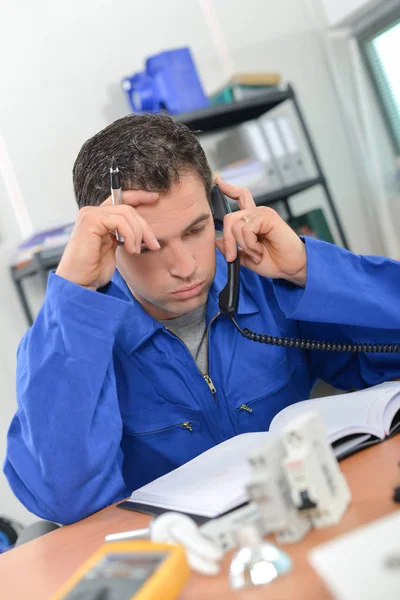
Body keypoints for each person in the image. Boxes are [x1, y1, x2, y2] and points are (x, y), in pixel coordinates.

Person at [4, 114, 400, 525]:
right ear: (109, 241)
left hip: (307, 517)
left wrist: (306, 268)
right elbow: (64, 499)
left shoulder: (261, 280)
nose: (184, 266)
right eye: (148, 246)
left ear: (217, 209)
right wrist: (75, 299)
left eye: (195, 231)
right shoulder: (70, 339)